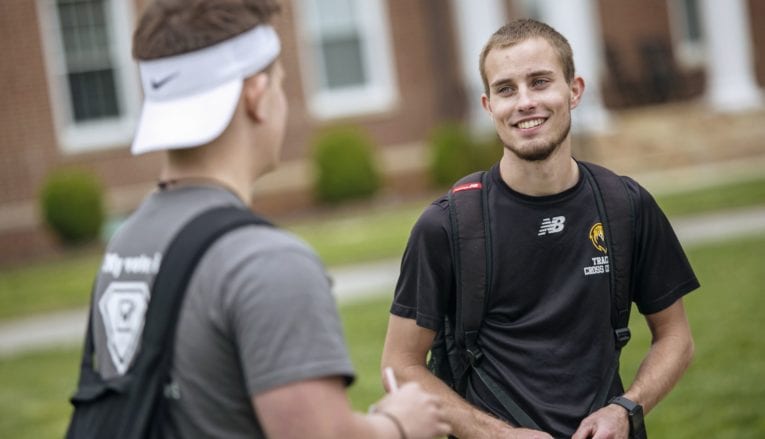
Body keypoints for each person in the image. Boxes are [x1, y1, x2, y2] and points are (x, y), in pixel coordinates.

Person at [85, 0, 451, 438]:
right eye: (279, 82)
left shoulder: (127, 242)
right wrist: (401, 423)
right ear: (256, 97)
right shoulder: (267, 262)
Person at [381, 18, 698, 439]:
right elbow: (398, 366)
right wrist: (500, 435)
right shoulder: (448, 225)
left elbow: (677, 336)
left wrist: (626, 408)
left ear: (575, 90)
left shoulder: (625, 205)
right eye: (506, 89)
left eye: (540, 81)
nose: (525, 101)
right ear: (488, 105)